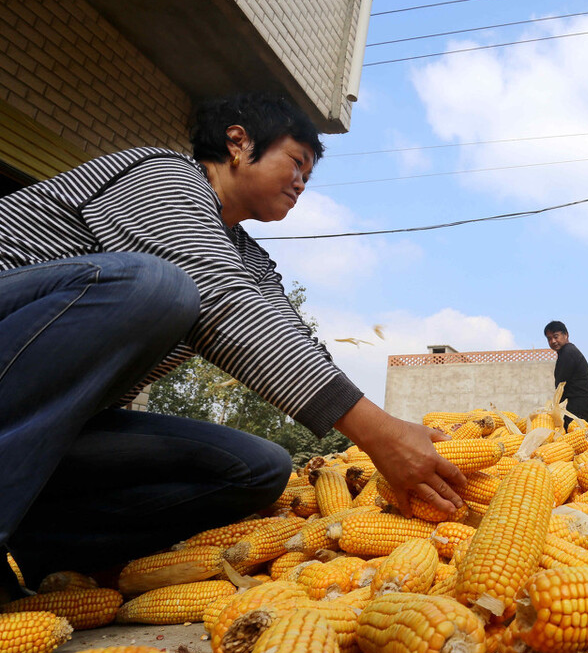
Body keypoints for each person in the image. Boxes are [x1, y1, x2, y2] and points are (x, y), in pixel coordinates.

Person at [0, 93, 466, 599]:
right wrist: (380, 435)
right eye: (296, 163)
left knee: (259, 469)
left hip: (56, 427)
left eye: (308, 177)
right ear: (239, 143)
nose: (301, 184)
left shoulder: (248, 258)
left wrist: (388, 432)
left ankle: (32, 557)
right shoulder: (158, 176)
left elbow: (287, 334)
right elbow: (221, 300)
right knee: (161, 287)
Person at [543, 321, 588, 430]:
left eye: (556, 336)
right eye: (549, 338)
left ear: (566, 335)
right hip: (580, 405)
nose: (553, 341)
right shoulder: (566, 352)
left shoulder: (568, 352)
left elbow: (561, 385)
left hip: (578, 407)